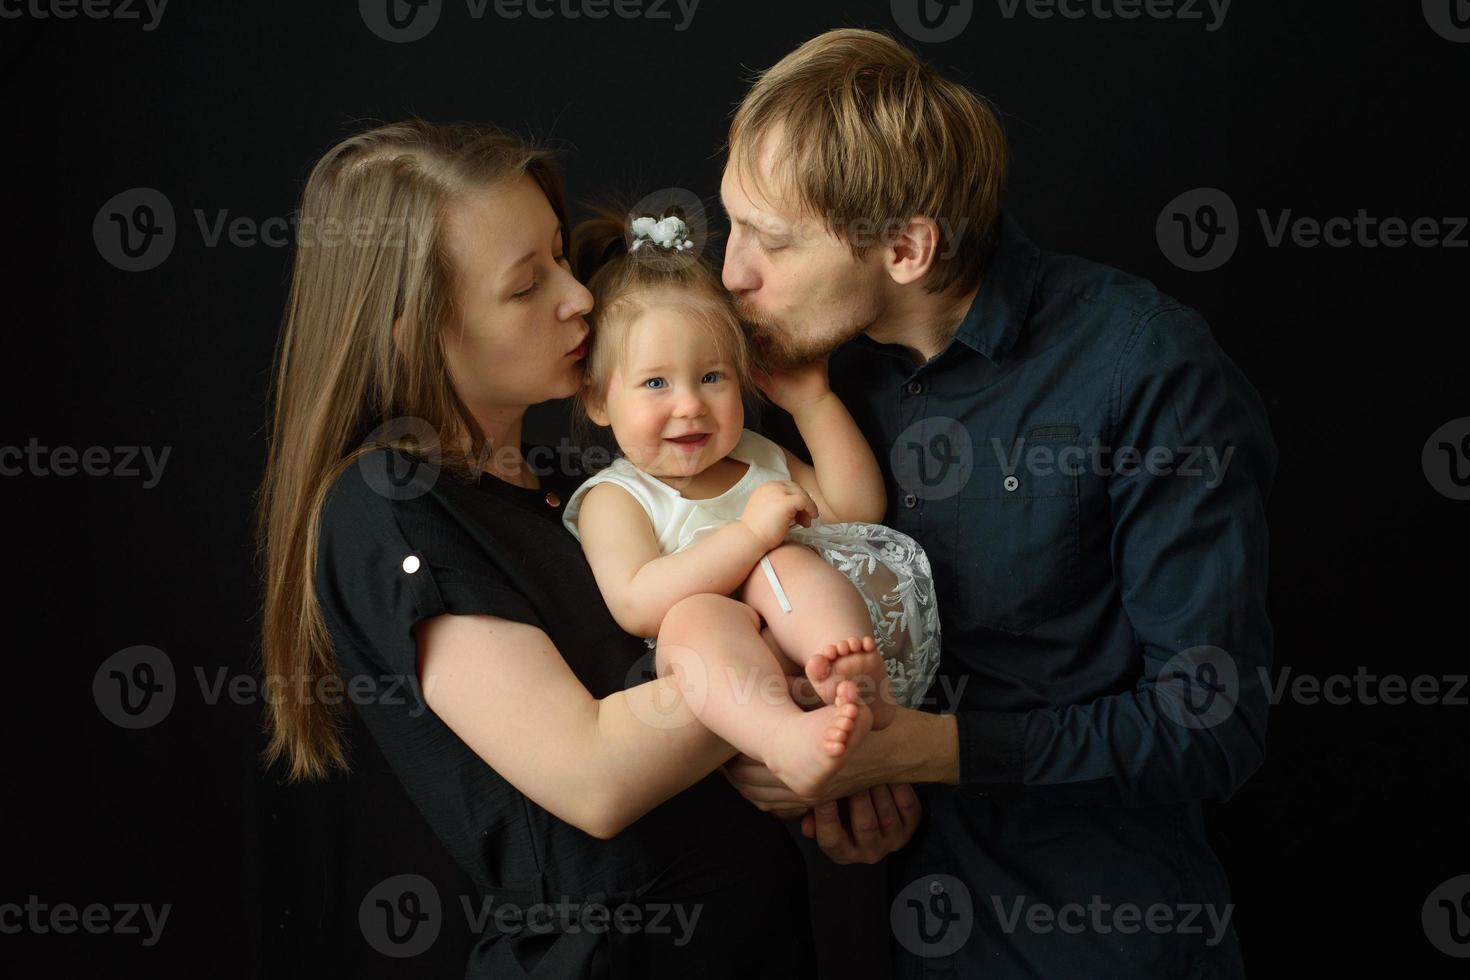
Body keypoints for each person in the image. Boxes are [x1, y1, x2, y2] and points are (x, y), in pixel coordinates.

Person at [254, 119, 920, 977]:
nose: (578, 297)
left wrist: (837, 779)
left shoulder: (581, 488)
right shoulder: (389, 509)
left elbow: (688, 731)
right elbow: (596, 775)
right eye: (528, 285)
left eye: (563, 259)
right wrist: (807, 692)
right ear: (413, 327)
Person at [717, 29, 1277, 979]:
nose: (732, 274)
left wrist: (917, 752)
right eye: (730, 224)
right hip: (857, 927)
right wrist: (781, 765)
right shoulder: (785, 373)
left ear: (906, 247)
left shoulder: (1143, 367)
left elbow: (1210, 725)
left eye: (770, 241)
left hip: (1089, 939)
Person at [560, 207, 943, 799]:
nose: (689, 405)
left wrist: (812, 402)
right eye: (656, 383)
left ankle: (845, 672)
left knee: (787, 561)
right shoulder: (617, 498)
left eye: (712, 376)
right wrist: (750, 536)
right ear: (598, 401)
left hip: (831, 641)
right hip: (730, 686)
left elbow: (855, 508)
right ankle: (785, 739)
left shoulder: (756, 455)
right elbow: (638, 604)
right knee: (695, 615)